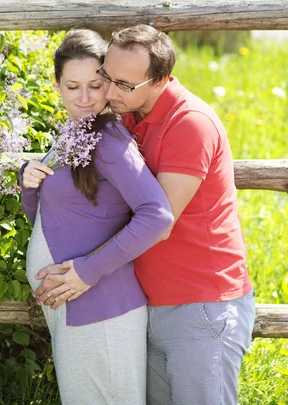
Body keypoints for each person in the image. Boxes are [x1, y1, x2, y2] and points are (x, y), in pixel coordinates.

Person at [37, 24, 256, 405]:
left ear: (160, 81)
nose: (108, 91)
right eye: (108, 76)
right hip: (152, 302)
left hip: (199, 303)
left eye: (123, 84)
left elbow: (159, 222)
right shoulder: (130, 114)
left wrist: (86, 272)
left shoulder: (189, 125)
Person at [20, 28, 173, 405]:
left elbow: (158, 215)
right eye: (73, 87)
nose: (85, 98)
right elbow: (52, 220)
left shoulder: (108, 139)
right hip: (75, 310)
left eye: (95, 84)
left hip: (101, 309)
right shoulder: (74, 134)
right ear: (57, 85)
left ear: (109, 83)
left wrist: (87, 271)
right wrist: (29, 182)